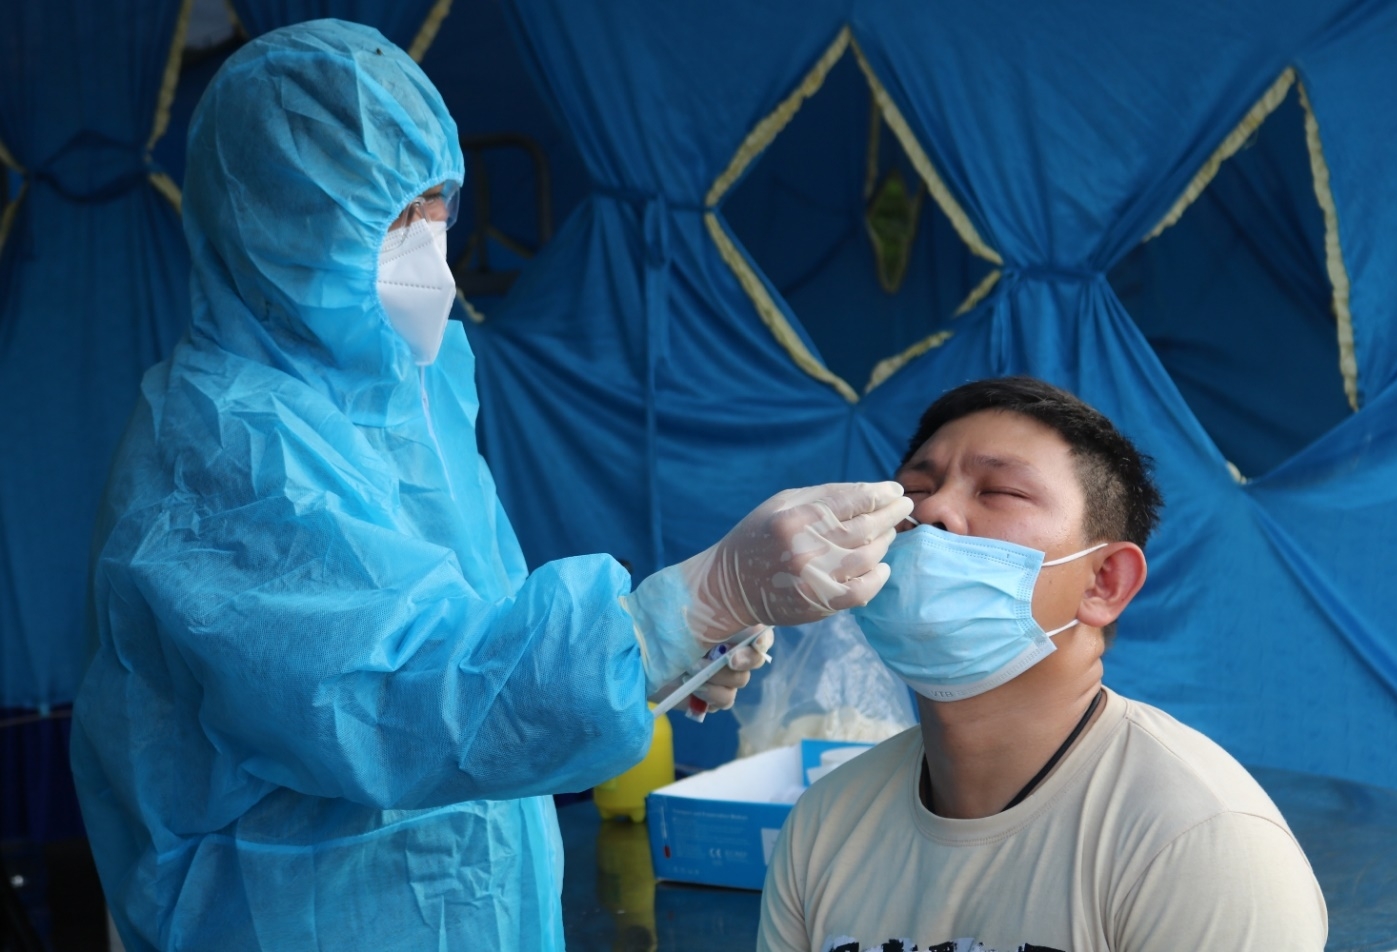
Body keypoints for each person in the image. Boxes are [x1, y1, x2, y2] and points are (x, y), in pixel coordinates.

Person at [69, 20, 911, 952]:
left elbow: (475, 647)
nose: (427, 248)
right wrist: (682, 610)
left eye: (436, 206)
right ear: (271, 219)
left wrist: (663, 667)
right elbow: (394, 698)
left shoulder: (412, 394)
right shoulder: (228, 446)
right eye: (388, 216)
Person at [758, 376, 1327, 952]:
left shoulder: (1195, 842)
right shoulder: (825, 826)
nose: (933, 511)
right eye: (913, 491)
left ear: (1104, 582)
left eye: (998, 492)